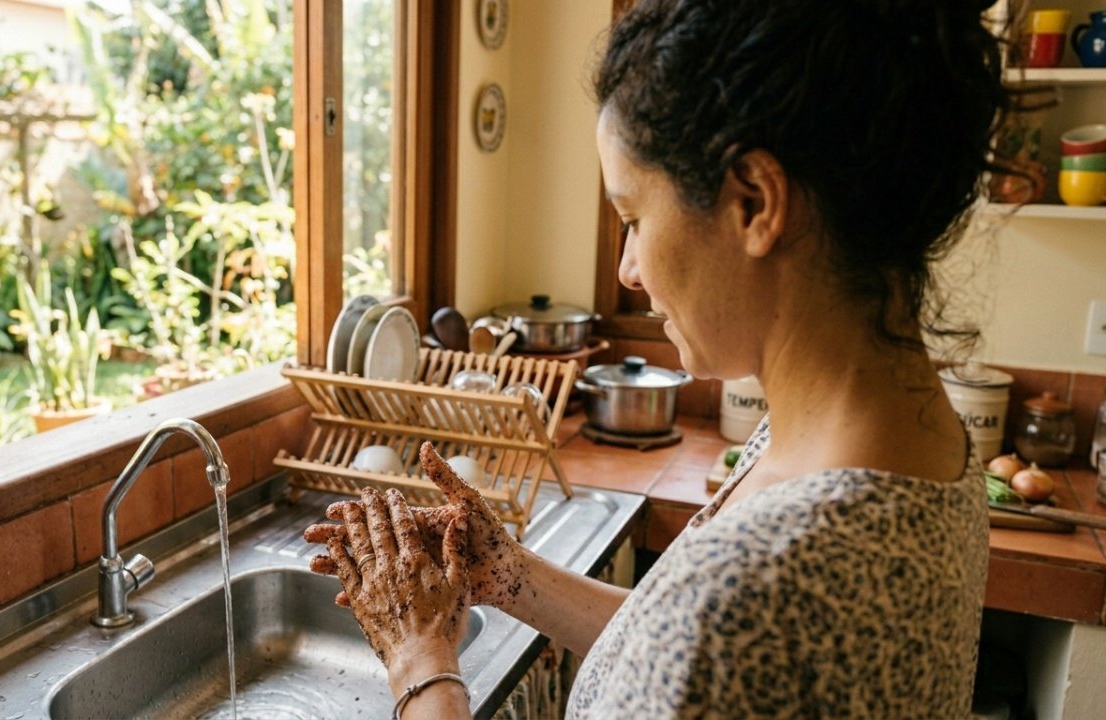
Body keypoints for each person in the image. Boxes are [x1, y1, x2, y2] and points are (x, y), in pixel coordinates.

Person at [305, 0, 1015, 716]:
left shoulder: (750, 590)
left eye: (634, 218)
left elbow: (704, 635)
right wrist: (510, 574)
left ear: (754, 203)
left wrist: (420, 659)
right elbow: (672, 649)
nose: (627, 270)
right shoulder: (907, 435)